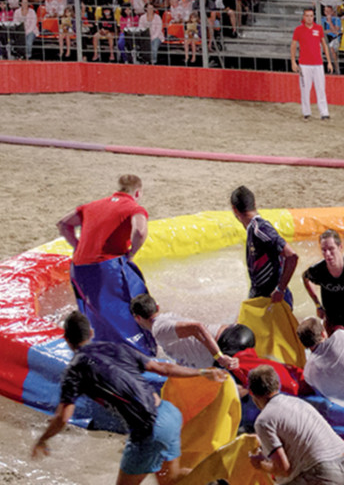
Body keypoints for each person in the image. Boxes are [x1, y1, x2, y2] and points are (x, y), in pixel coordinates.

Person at [31, 311, 225, 485]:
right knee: (171, 480)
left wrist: (43, 439)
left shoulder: (74, 370)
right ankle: (223, 478)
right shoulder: (114, 348)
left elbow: (63, 417)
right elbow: (163, 368)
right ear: (91, 333)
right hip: (169, 414)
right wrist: (200, 372)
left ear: (65, 339)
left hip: (150, 428)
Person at [56, 174, 156, 355]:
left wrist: (78, 246)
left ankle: (95, 352)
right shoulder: (134, 208)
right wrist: (131, 253)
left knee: (93, 312)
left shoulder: (91, 206)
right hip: (106, 266)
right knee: (127, 307)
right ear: (138, 192)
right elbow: (140, 232)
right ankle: (141, 354)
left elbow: (63, 224)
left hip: (78, 267)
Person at [248, 365, 344, 484]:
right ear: (277, 384)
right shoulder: (300, 403)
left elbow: (284, 469)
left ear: (251, 393)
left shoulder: (264, 420)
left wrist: (261, 464)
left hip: (324, 472)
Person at [129, 293, 239, 371]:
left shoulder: (159, 328)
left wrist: (219, 356)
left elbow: (197, 327)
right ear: (157, 306)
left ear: (137, 318)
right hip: (235, 333)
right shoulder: (168, 317)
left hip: (227, 345)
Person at [230, 186, 299, 307]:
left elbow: (292, 256)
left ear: (234, 209)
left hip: (273, 301)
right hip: (260, 298)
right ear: (254, 204)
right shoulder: (253, 229)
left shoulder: (260, 229)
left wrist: (280, 289)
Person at [290, 8, 336, 121]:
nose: (309, 18)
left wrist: (329, 62)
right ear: (303, 17)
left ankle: (324, 113)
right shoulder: (298, 30)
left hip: (318, 63)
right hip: (304, 64)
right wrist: (293, 61)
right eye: (307, 16)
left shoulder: (318, 28)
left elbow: (324, 45)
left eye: (311, 16)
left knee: (321, 88)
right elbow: (293, 45)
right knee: (305, 89)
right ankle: (306, 112)